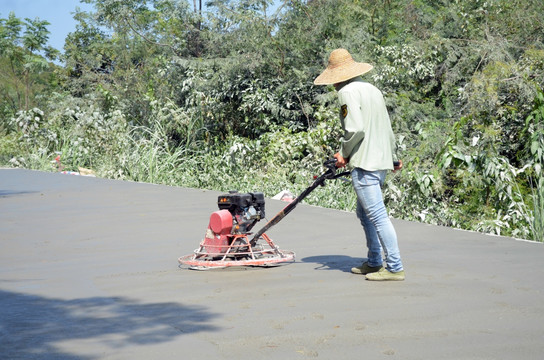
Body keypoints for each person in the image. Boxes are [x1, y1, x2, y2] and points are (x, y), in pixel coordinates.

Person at [314, 48, 405, 281]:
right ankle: (374, 262)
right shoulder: (372, 90)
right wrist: (393, 158)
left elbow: (355, 129)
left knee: (376, 215)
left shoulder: (347, 92)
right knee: (365, 214)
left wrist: (343, 153)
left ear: (337, 76)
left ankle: (394, 267)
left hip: (365, 163)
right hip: (381, 161)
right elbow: (386, 128)